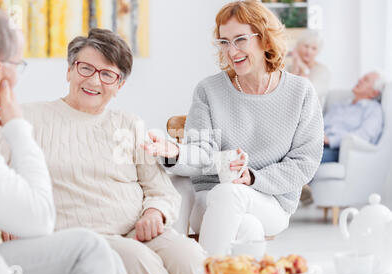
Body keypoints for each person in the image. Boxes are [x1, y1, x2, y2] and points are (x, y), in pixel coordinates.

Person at [0, 28, 206, 274]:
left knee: (189, 256)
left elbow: (161, 190)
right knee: (138, 260)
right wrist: (7, 216)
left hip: (136, 230)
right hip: (81, 240)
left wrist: (155, 213)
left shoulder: (129, 124)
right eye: (86, 68)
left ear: (119, 86)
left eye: (107, 74)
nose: (94, 80)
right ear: (69, 71)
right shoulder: (28, 118)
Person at [0, 6, 133, 274]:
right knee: (90, 250)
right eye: (18, 65)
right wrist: (18, 127)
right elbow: (40, 217)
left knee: (107, 261)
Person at [142, 0, 323, 255]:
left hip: (272, 202)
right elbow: (201, 150)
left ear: (265, 40)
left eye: (240, 39)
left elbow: (304, 162)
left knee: (231, 194)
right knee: (248, 228)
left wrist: (252, 177)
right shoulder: (209, 90)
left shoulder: (300, 92)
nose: (231, 50)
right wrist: (175, 151)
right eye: (224, 42)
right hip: (209, 198)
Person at [322, 71, 385, 163]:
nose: (360, 80)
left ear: (374, 93)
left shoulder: (373, 109)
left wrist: (330, 140)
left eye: (365, 80)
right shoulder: (339, 105)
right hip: (317, 142)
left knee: (303, 158)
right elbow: (321, 124)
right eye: (362, 78)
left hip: (337, 149)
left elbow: (364, 136)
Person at [287, 29, 331, 106]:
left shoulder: (323, 71)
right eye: (306, 46)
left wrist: (303, 68)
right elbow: (286, 94)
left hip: (312, 113)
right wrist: (295, 68)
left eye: (314, 48)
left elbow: (308, 95)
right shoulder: (287, 68)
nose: (309, 51)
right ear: (298, 47)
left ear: (318, 51)